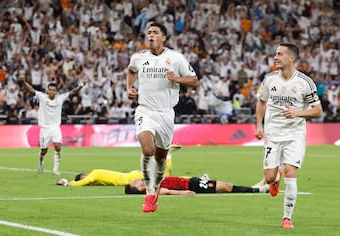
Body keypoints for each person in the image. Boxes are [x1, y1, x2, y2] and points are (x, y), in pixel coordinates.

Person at [126, 22, 199, 212]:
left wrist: (177, 79)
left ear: (163, 37)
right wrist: (129, 88)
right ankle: (149, 192)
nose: (150, 35)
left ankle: (156, 189)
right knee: (147, 149)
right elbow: (131, 70)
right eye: (149, 32)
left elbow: (194, 80)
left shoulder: (175, 58)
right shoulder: (139, 57)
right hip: (145, 110)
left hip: (166, 113)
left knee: (160, 158)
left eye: (155, 33)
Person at [255, 43, 323, 229]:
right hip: (273, 134)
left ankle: (287, 217)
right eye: (275, 54)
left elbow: (317, 111)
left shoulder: (305, 82)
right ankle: (275, 179)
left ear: (291, 58)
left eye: (279, 54)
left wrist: (297, 113)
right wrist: (258, 125)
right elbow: (261, 103)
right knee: (269, 178)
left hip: (294, 134)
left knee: (291, 173)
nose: (275, 57)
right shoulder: (269, 79)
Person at [19, 75, 87, 175]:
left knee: (58, 146)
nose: (51, 92)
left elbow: (72, 92)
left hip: (55, 127)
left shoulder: (60, 98)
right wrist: (24, 82)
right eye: (50, 90)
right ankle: (41, 163)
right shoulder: (42, 97)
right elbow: (31, 90)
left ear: (56, 91)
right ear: (47, 90)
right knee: (44, 150)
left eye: (53, 90)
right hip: (44, 128)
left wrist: (81, 85)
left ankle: (55, 169)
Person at [55, 144, 181, 186]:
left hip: (130, 179)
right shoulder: (98, 179)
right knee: (162, 177)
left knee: (163, 178)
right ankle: (167, 156)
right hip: (129, 175)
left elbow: (83, 182)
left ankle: (168, 155)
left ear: (83, 176)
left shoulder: (94, 173)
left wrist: (67, 183)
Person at [125, 175, 269, 195]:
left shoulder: (152, 180)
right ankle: (258, 189)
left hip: (193, 181)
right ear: (138, 190)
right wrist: (183, 193)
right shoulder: (152, 190)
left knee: (226, 185)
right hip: (193, 186)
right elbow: (166, 191)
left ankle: (255, 188)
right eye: (136, 183)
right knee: (227, 187)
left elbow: (176, 179)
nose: (137, 180)